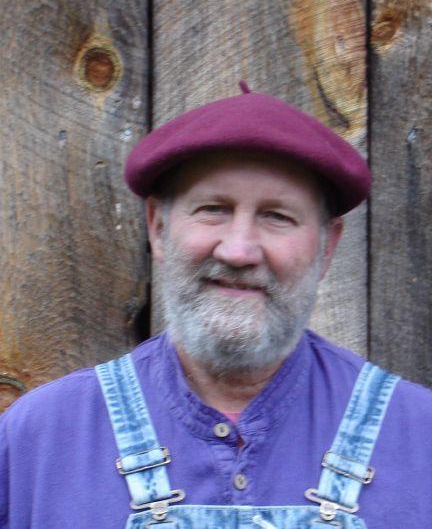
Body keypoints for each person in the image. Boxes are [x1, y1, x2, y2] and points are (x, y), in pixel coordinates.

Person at [1, 83, 431, 529]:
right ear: (158, 227)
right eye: (213, 209)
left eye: (277, 216)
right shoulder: (40, 439)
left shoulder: (420, 437)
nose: (238, 251)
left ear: (327, 247)